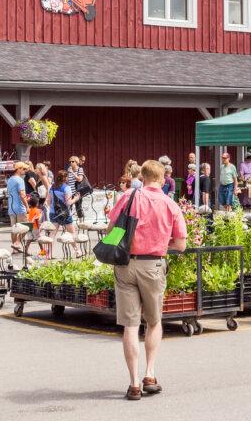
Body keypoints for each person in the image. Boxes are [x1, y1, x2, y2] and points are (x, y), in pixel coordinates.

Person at [107, 159, 187, 401]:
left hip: (126, 263)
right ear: (163, 180)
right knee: (153, 322)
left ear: (142, 177)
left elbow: (111, 228)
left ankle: (133, 384)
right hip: (153, 264)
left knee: (130, 326)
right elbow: (181, 245)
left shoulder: (129, 197)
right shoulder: (170, 204)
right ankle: (150, 374)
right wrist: (162, 243)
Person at [6, 163, 29, 254]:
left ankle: (15, 248)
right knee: (26, 227)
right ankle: (17, 243)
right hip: (20, 207)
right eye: (23, 169)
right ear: (18, 169)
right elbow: (22, 195)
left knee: (14, 229)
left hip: (11, 207)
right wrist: (27, 206)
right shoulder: (20, 180)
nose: (25, 170)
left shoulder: (10, 179)